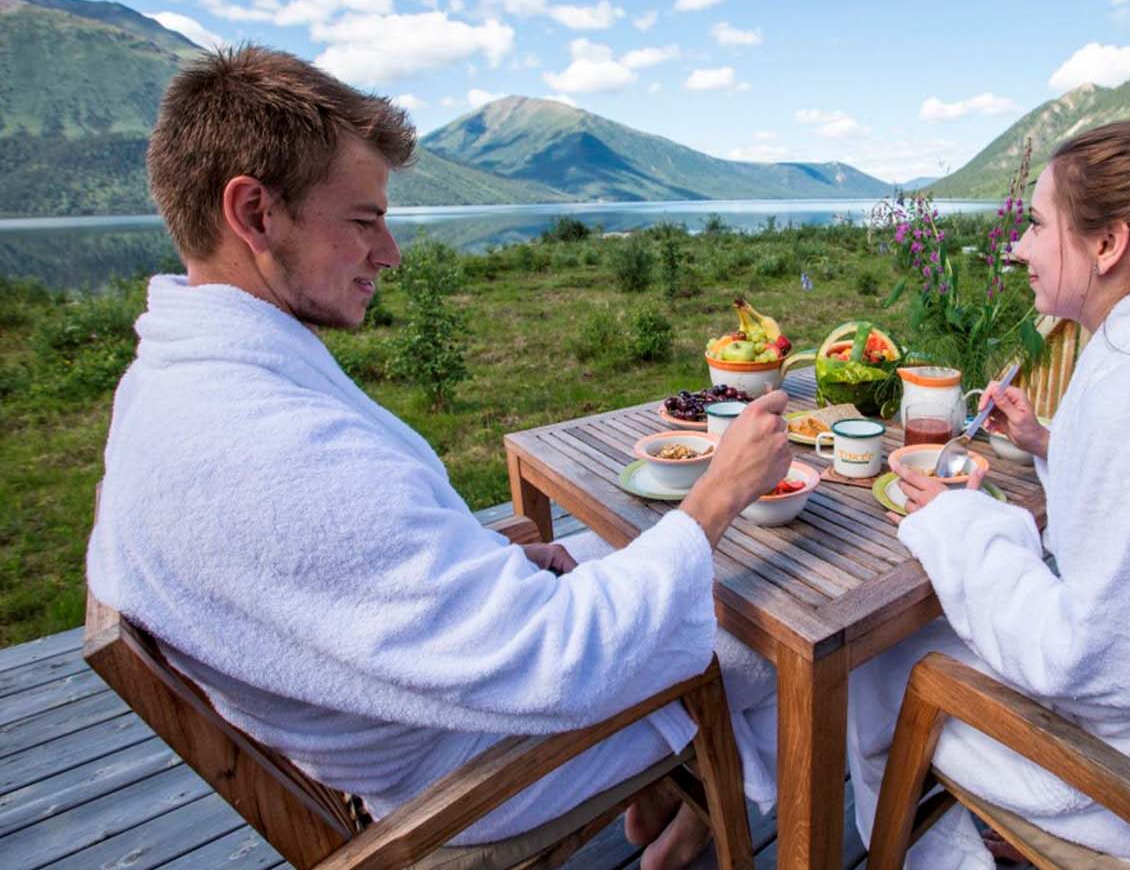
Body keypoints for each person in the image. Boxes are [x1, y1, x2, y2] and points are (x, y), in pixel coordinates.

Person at [85, 45, 792, 870]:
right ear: (254, 213)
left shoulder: (176, 384)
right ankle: (706, 817)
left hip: (396, 692)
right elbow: (567, 661)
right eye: (362, 220)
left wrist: (477, 557)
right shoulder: (273, 454)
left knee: (631, 558)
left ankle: (681, 820)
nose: (389, 253)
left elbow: (336, 563)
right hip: (470, 766)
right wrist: (718, 493)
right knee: (770, 619)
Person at [848, 120, 1130, 868]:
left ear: (1109, 245)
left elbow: (1094, 664)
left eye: (1036, 226)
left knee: (881, 659)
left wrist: (963, 523)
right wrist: (1047, 444)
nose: (1019, 247)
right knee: (922, 637)